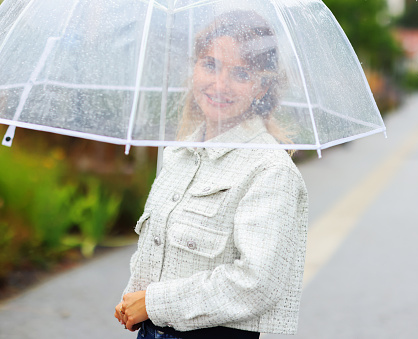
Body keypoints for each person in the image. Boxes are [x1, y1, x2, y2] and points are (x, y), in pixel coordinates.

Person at [114, 10, 308, 338]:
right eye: (210, 64)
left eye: (241, 73)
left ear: (261, 86)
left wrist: (153, 303)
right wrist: (135, 295)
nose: (220, 84)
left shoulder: (270, 171)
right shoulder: (179, 154)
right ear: (194, 69)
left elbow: (257, 284)